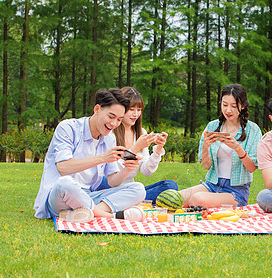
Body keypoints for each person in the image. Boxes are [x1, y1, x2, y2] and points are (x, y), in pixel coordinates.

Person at [33, 88, 146, 223]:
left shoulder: (109, 138)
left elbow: (112, 182)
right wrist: (102, 158)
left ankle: (84, 213)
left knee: (138, 189)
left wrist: (126, 169)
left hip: (89, 196)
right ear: (97, 109)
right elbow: (63, 167)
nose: (114, 124)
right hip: (60, 197)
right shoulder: (68, 128)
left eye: (119, 120)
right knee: (65, 183)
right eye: (111, 117)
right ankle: (109, 217)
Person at [179, 83, 262, 208]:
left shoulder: (253, 130)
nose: (228, 110)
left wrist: (238, 148)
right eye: (225, 105)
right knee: (175, 198)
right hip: (212, 184)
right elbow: (206, 166)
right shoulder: (212, 126)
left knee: (197, 199)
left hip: (236, 191)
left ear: (243, 106)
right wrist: (206, 146)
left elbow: (252, 168)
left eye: (234, 106)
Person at [96, 86, 178, 203]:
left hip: (131, 189)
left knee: (170, 186)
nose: (135, 114)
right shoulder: (110, 132)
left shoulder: (141, 132)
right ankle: (128, 201)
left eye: (139, 110)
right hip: (109, 187)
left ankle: (129, 201)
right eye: (131, 109)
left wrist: (158, 150)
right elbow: (111, 174)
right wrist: (135, 148)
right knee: (103, 182)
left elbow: (146, 171)